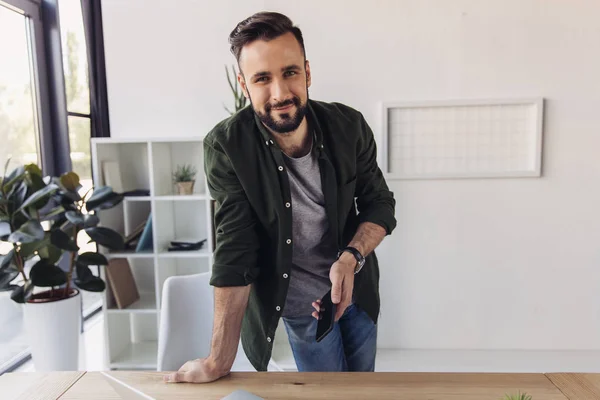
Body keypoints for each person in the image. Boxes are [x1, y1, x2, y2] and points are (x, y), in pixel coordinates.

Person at [164, 11, 396, 383]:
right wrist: (217, 361)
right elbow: (236, 249)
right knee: (327, 394)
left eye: (290, 72)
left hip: (357, 288)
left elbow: (379, 203)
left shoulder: (349, 126)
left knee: (362, 386)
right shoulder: (226, 147)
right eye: (262, 78)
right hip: (300, 304)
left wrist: (351, 258)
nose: (280, 93)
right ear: (244, 84)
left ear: (307, 71)